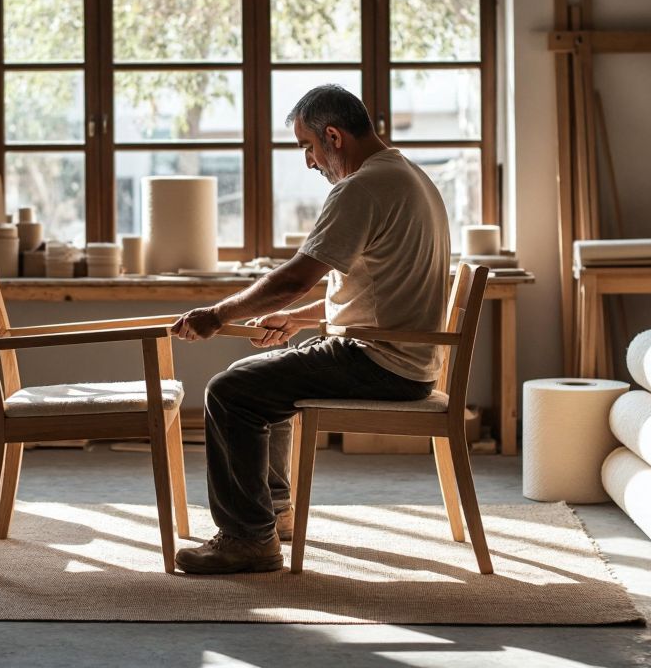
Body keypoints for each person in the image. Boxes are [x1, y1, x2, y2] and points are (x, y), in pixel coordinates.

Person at [170, 84, 451, 574]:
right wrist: (299, 321)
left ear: (334, 137)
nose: (309, 162)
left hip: (382, 363)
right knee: (263, 378)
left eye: (308, 147)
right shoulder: (409, 176)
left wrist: (218, 315)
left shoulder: (360, 187)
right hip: (403, 356)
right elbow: (381, 290)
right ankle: (273, 514)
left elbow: (296, 277)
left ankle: (246, 539)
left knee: (230, 391)